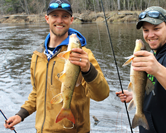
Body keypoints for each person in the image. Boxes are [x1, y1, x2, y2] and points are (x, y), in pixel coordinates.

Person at [4, 0, 109, 132]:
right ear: (47, 19)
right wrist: (21, 114)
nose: (60, 20)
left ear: (71, 20)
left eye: (65, 16)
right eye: (55, 16)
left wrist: (88, 70)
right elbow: (37, 93)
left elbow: (102, 94)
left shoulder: (83, 54)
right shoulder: (37, 55)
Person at [116, 6, 166, 133]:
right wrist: (137, 95)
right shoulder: (156, 54)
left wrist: (157, 69)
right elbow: (161, 90)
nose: (150, 35)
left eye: (156, 29)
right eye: (146, 30)